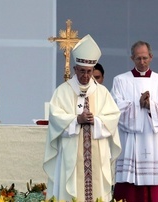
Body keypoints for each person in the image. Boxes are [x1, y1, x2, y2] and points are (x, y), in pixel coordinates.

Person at [43, 34, 121, 202]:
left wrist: (97, 121)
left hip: (97, 154)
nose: (86, 76)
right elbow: (55, 118)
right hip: (71, 154)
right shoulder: (62, 91)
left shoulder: (102, 92)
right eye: (82, 71)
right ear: (75, 69)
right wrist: (77, 120)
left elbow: (113, 117)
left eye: (89, 72)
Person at [111, 40, 158, 202]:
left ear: (151, 57)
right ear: (132, 58)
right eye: (138, 58)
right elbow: (114, 108)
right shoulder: (120, 80)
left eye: (145, 58)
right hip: (130, 141)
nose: (142, 62)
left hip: (153, 141)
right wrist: (137, 105)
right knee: (129, 191)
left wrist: (150, 106)